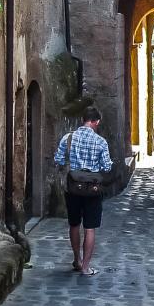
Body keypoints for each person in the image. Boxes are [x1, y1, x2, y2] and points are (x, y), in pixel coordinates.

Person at [54, 107, 112, 276]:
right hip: (92, 190)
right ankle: (86, 267)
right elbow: (106, 167)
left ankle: (77, 260)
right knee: (90, 228)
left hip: (73, 187)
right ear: (96, 122)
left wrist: (72, 165)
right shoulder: (101, 142)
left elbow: (58, 159)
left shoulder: (68, 138)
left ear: (83, 119)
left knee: (74, 224)